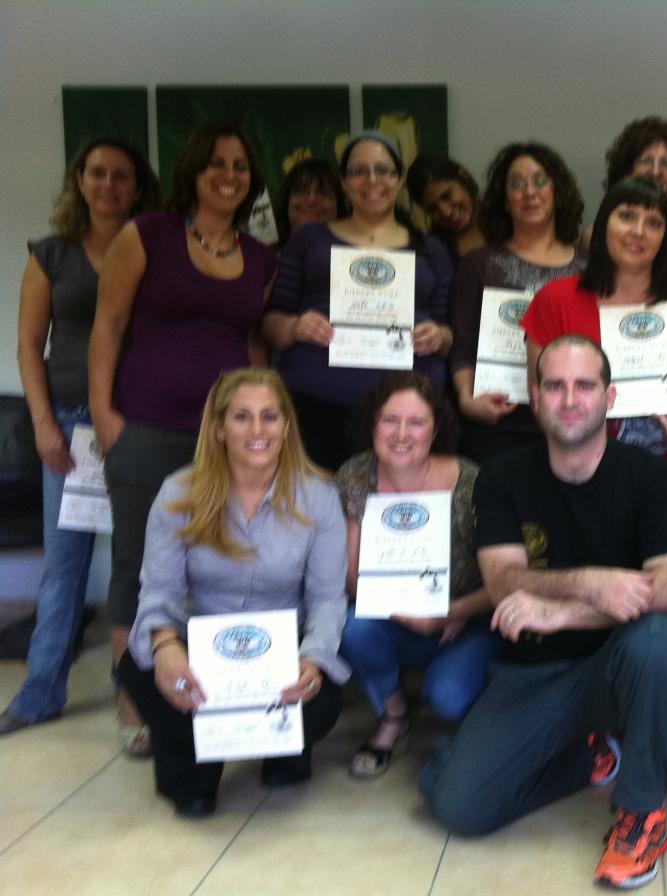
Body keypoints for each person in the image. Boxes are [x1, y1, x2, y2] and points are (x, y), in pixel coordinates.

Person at [421, 336, 667, 890]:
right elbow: (502, 581)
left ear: (610, 398)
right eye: (555, 386)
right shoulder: (502, 475)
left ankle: (642, 815)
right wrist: (592, 584)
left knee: (661, 639)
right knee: (458, 805)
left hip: (621, 669)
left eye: (585, 386)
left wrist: (562, 613)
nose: (570, 400)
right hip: (533, 672)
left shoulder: (654, 477)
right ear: (535, 396)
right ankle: (587, 755)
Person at [89, 122, 277, 757]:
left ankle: (220, 686)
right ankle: (134, 696)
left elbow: (251, 344)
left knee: (226, 562)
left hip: (229, 440)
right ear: (193, 171)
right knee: (137, 565)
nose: (229, 175)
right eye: (216, 163)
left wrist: (265, 419)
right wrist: (103, 414)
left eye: (241, 166)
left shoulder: (261, 257)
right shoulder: (147, 235)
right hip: (146, 427)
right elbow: (108, 324)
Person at [118, 370, 348, 818]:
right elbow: (160, 588)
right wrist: (165, 646)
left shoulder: (320, 497)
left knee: (323, 699)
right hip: (201, 641)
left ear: (286, 426)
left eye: (269, 416)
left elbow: (326, 598)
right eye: (242, 417)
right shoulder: (178, 493)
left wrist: (314, 659)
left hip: (282, 648)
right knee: (143, 671)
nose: (257, 430)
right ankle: (193, 763)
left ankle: (284, 751)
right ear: (220, 428)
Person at [1, 138, 158, 738]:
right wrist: (43, 424)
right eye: (98, 173)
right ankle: (39, 692)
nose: (109, 185)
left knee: (141, 562)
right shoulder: (52, 253)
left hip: (138, 422)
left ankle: (135, 690)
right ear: (80, 180)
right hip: (69, 426)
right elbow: (28, 344)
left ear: (137, 187)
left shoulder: (151, 249)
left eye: (121, 175)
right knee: (64, 565)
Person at [337, 372, 498, 778]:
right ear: (372, 424)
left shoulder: (474, 481)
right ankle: (394, 714)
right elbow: (353, 579)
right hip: (394, 618)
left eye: (416, 422)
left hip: (466, 620)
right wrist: (408, 614)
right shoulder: (356, 475)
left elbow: (505, 581)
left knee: (449, 699)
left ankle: (480, 720)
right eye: (390, 420)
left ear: (436, 429)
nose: (401, 434)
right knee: (352, 627)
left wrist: (454, 611)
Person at [263, 130, 454, 472]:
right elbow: (271, 323)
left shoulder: (431, 249)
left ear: (399, 179)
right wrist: (295, 327)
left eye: (383, 170)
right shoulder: (309, 240)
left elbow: (450, 333)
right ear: (344, 181)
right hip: (316, 407)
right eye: (359, 171)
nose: (372, 180)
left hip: (407, 417)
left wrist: (438, 336)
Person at [522, 176, 667, 465]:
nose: (639, 231)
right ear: (603, 224)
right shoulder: (554, 300)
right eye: (627, 217)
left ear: (666, 237)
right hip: (580, 471)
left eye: (654, 223)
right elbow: (541, 400)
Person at [448, 141, 587, 462]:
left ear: (558, 192)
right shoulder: (477, 264)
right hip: (497, 418)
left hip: (572, 418)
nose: (530, 192)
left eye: (539, 181)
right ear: (505, 201)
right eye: (517, 184)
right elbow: (463, 341)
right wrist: (467, 399)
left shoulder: (590, 267)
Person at [582, 116, 667, 259]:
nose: (656, 172)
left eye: (666, 163)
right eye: (645, 160)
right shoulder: (595, 234)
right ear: (627, 168)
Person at [406, 153, 485, 263]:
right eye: (432, 209)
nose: (446, 212)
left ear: (464, 176)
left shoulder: (504, 219)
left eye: (446, 196)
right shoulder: (435, 251)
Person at [272, 157, 345, 247]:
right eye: (301, 190)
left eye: (324, 192)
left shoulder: (355, 253)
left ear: (338, 205)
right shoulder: (263, 253)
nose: (311, 200)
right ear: (286, 201)